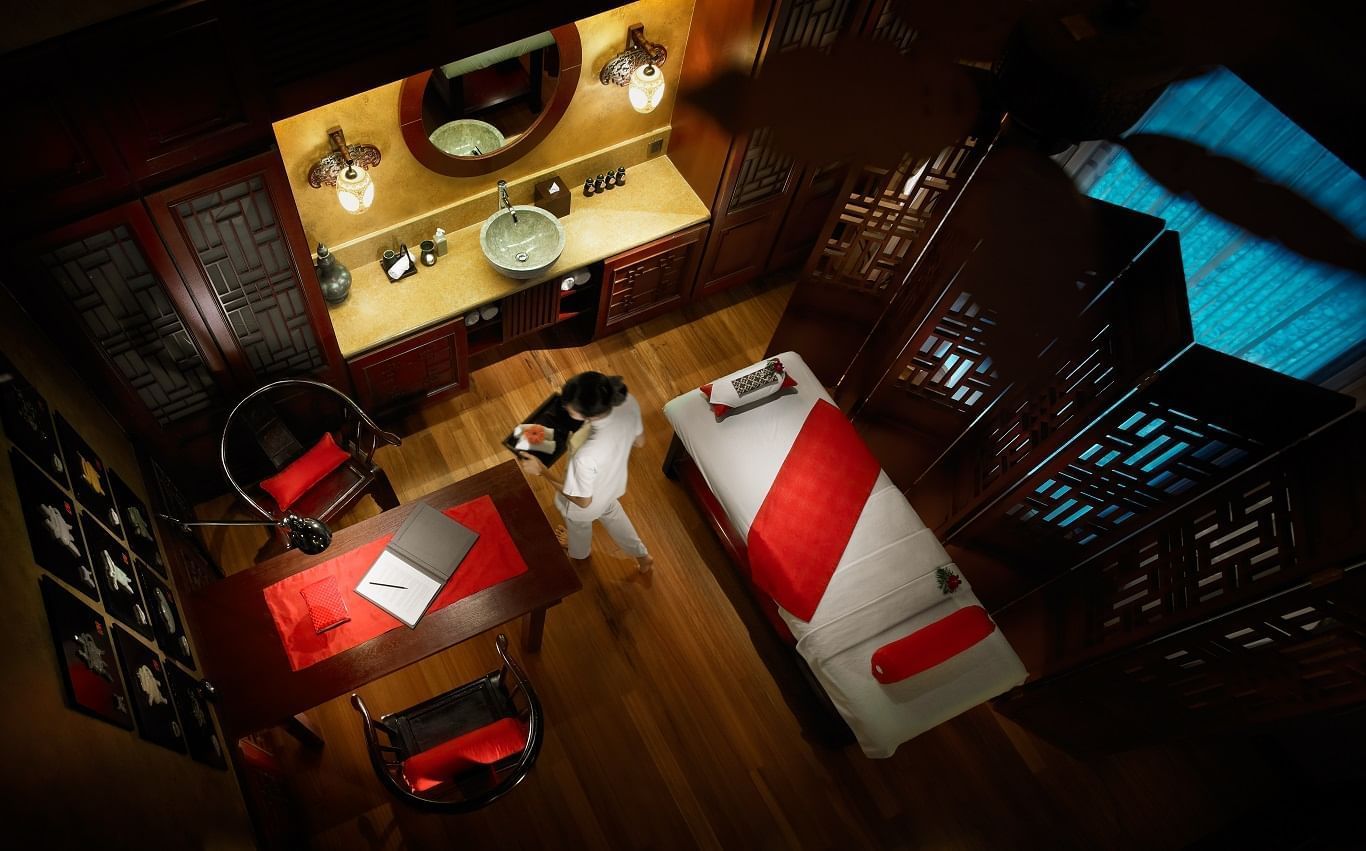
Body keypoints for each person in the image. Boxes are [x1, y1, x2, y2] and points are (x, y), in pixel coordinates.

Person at [517, 372, 654, 573]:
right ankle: (643, 556)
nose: (564, 406)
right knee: (611, 511)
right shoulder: (626, 402)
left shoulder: (585, 456)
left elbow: (582, 502)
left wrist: (543, 471)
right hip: (612, 481)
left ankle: (579, 551)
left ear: (588, 414)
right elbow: (639, 442)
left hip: (585, 497)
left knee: (579, 524)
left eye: (569, 407)